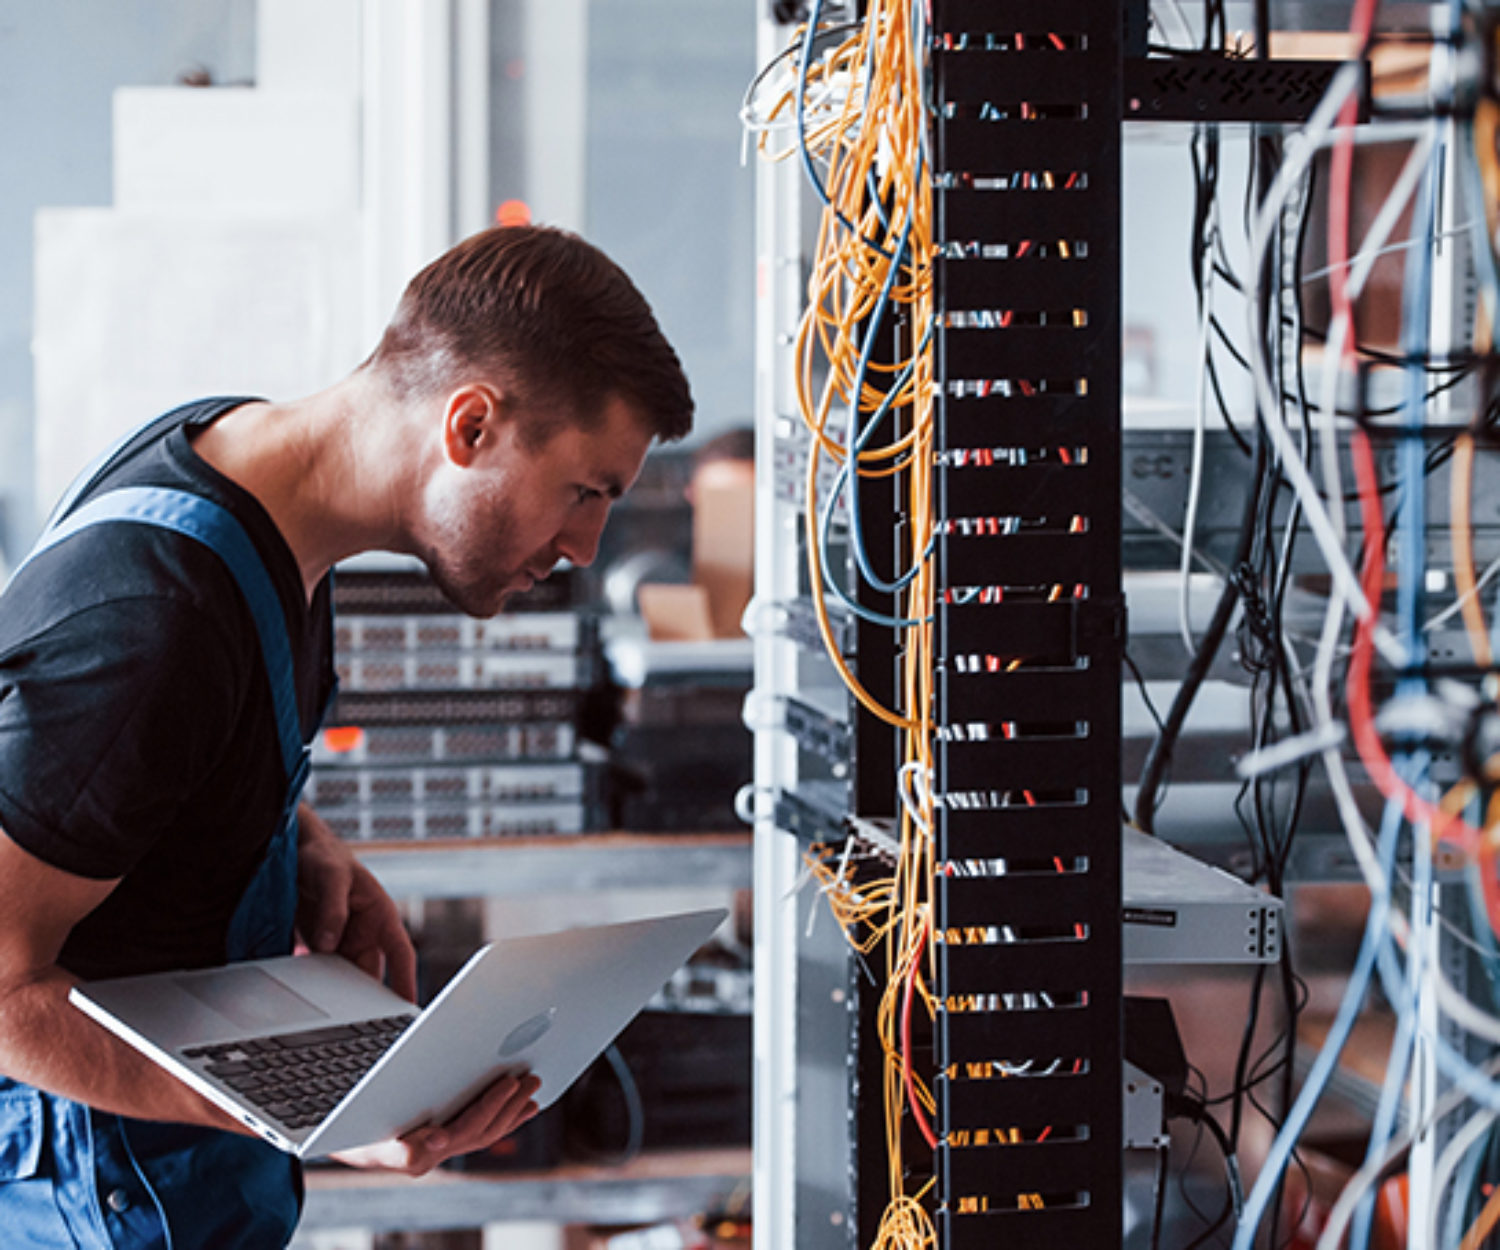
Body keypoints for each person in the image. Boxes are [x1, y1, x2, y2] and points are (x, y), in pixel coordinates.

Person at [0, 224, 693, 1247]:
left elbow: (140, 757)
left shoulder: (243, 476)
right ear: (471, 425)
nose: (586, 548)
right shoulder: (159, 618)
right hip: (98, 1203)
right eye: (586, 490)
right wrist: (316, 1107)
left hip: (186, 1189)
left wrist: (297, 834)